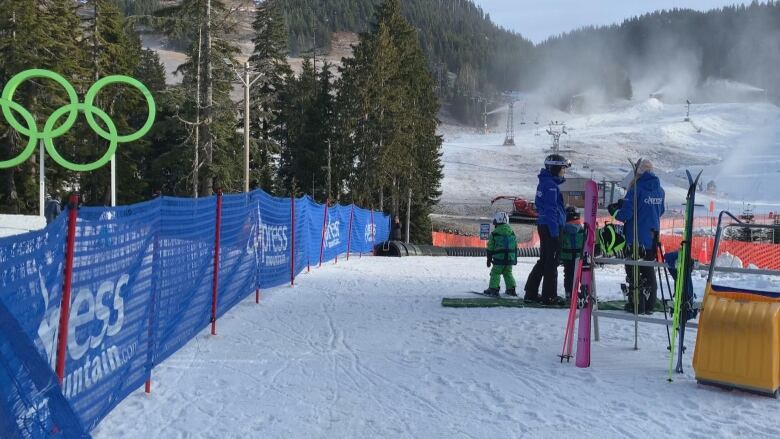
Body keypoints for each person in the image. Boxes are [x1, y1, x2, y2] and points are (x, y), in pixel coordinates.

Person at [609, 159, 665, 314]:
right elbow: (660, 211)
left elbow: (626, 215)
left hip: (635, 238)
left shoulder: (635, 190)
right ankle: (650, 304)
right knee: (648, 270)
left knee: (633, 272)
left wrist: (614, 211)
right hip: (652, 237)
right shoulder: (660, 190)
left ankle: (636, 304)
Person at [524, 154, 570, 305]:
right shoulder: (550, 185)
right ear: (555, 168)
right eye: (562, 168)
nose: (564, 171)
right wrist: (555, 233)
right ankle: (549, 296)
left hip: (545, 225)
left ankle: (531, 291)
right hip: (552, 227)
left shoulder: (544, 183)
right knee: (552, 262)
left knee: (544, 260)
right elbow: (551, 211)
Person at [484, 212, 517, 297]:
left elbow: (490, 248)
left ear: (497, 221)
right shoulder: (512, 233)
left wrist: (488, 259)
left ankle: (493, 289)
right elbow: (515, 247)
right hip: (510, 258)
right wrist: (514, 260)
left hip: (499, 258)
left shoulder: (494, 234)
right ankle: (511, 289)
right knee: (508, 272)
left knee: (495, 272)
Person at [559, 206, 584, 300]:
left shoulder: (563, 229)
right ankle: (585, 291)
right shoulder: (581, 229)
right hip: (579, 256)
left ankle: (568, 292)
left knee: (568, 274)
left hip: (567, 256)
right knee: (582, 274)